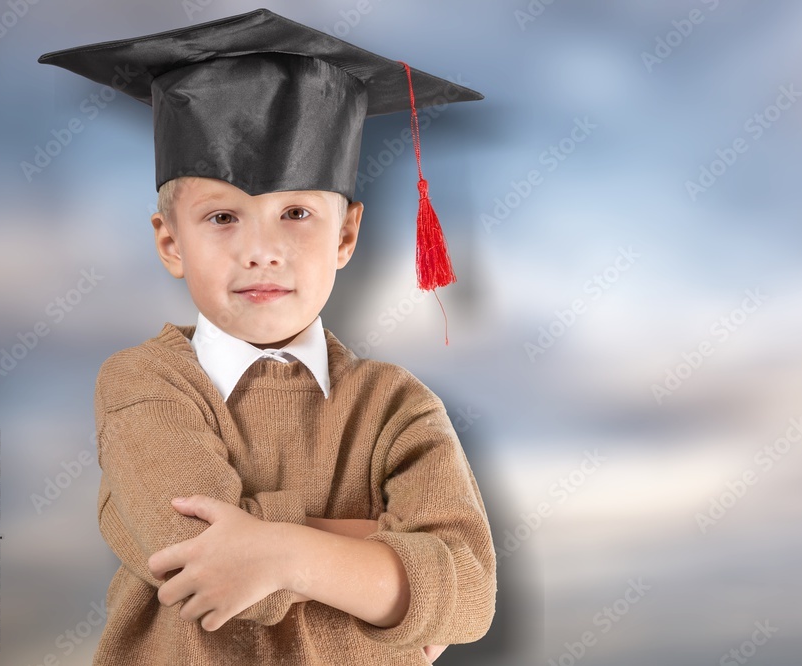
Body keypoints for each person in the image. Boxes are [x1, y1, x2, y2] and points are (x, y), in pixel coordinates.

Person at [38, 8, 495, 665]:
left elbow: (471, 593)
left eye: (297, 213)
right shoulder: (146, 382)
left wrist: (278, 549)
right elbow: (197, 557)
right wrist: (392, 556)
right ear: (171, 242)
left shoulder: (397, 406)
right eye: (222, 216)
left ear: (345, 235)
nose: (262, 250)